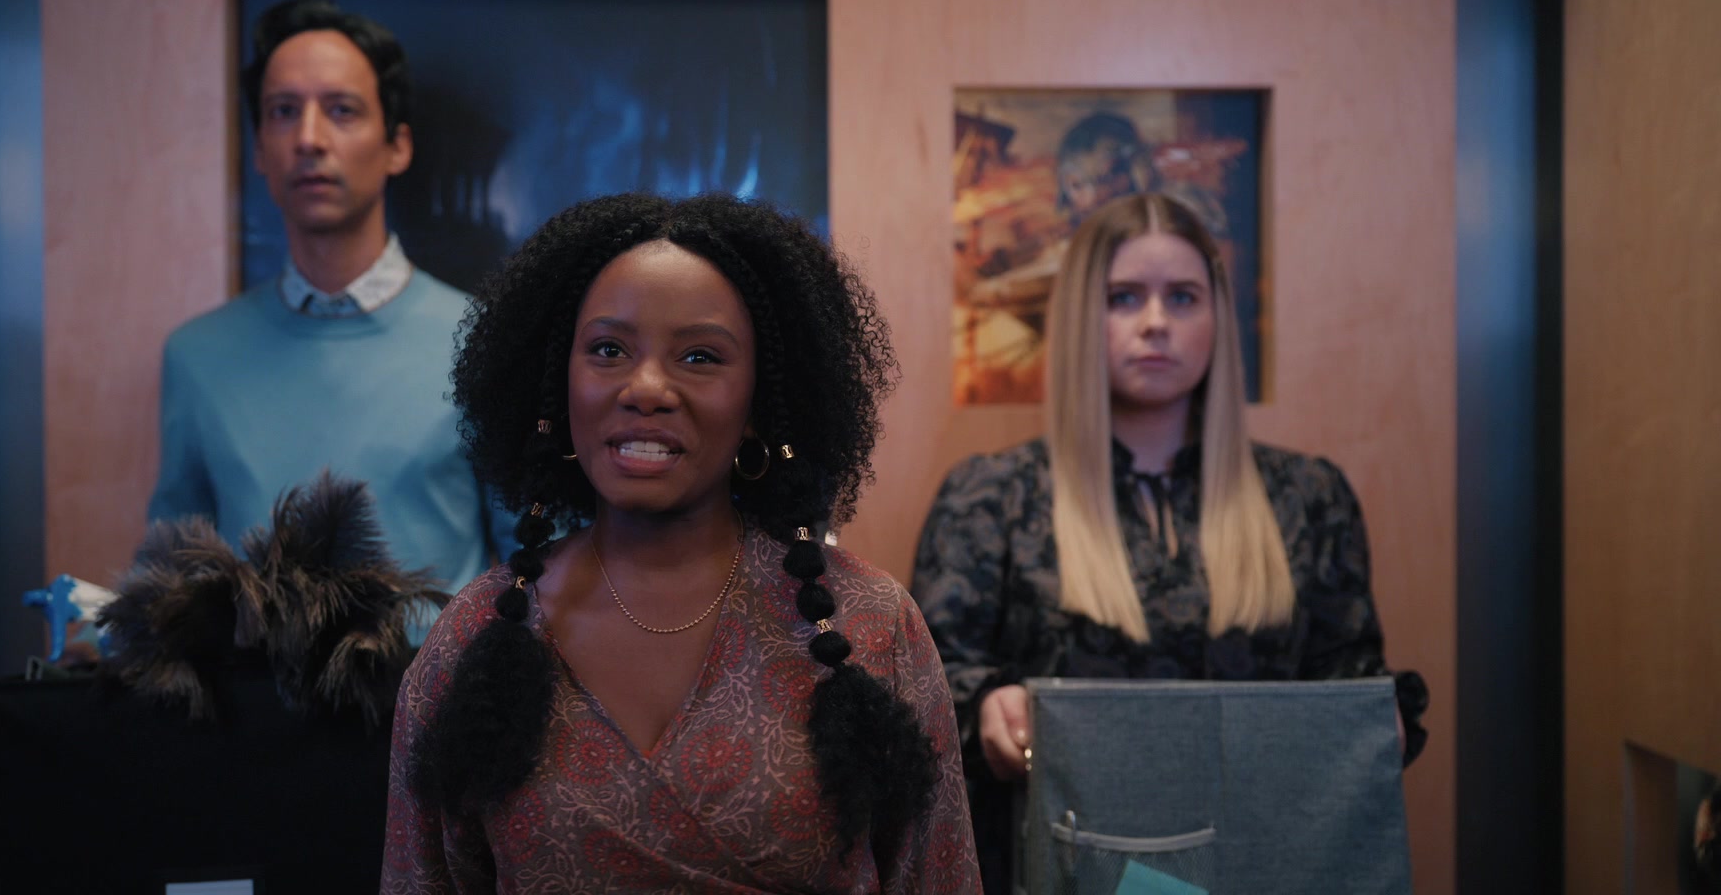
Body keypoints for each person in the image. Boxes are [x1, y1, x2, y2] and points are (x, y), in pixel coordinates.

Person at [380, 193, 980, 893]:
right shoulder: (471, 639)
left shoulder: (872, 625)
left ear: (761, 403)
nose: (646, 388)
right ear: (556, 383)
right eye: (608, 350)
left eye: (700, 356)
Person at [913, 192, 1428, 893]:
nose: (1156, 322)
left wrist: (1374, 720)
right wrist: (985, 709)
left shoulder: (1309, 497)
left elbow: (1349, 674)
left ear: (1218, 318)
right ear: (1079, 318)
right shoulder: (990, 497)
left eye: (1182, 297)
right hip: (1070, 869)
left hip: (1269, 867)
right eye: (1123, 297)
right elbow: (933, 686)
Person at [147, 0, 510, 620]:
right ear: (259, 148)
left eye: (342, 110)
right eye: (283, 111)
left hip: (439, 680)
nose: (309, 139)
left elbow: (539, 570)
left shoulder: (486, 341)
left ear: (397, 146)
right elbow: (167, 585)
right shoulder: (197, 356)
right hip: (251, 681)